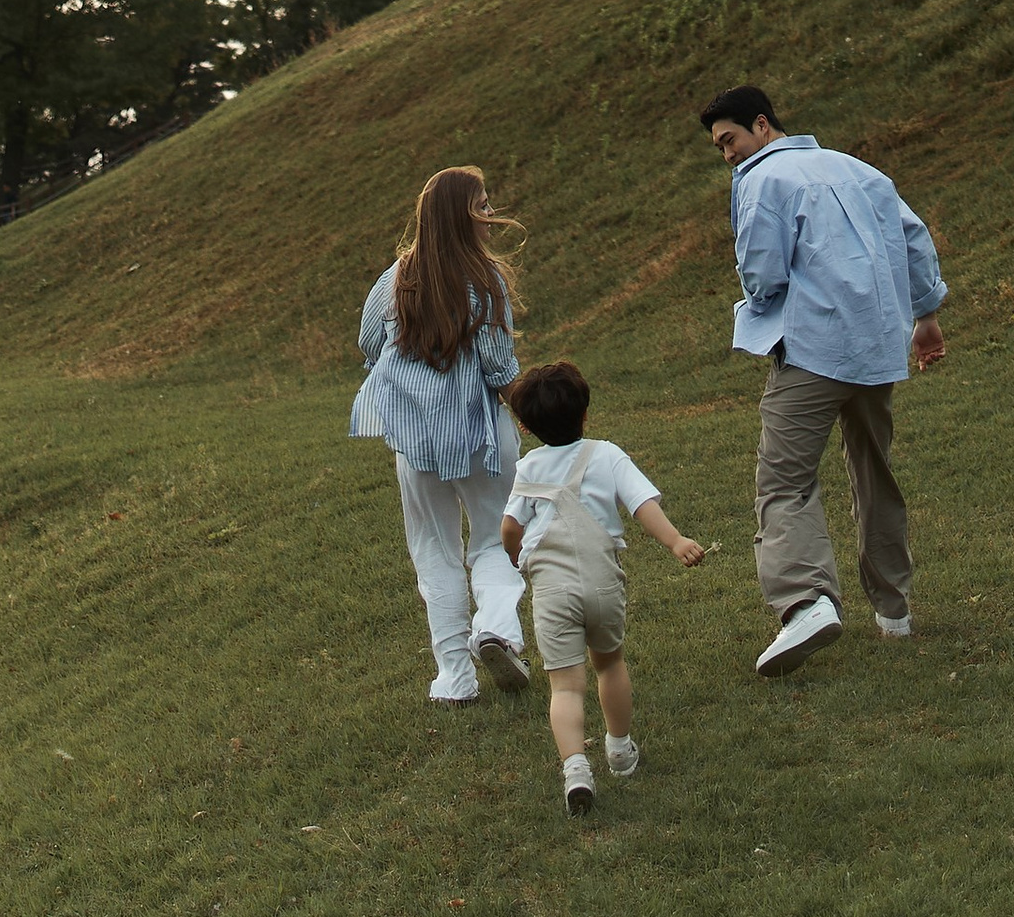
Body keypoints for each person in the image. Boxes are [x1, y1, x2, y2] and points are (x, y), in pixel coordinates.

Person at [700, 82, 947, 679]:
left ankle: (805, 602)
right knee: (872, 471)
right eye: (719, 148)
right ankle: (895, 611)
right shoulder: (857, 169)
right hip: (877, 349)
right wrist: (928, 316)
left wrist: (759, 303)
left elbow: (761, 270)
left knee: (783, 480)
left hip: (812, 349)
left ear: (762, 125)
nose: (728, 154)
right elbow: (914, 240)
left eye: (729, 139)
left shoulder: (763, 178)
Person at [350, 165, 532, 703]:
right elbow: (499, 369)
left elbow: (367, 344)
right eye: (483, 205)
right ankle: (496, 628)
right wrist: (531, 412)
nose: (491, 215)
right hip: (482, 436)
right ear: (463, 215)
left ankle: (454, 677)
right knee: (496, 539)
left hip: (416, 441)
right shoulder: (484, 280)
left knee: (434, 550)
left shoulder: (394, 280)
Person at [498, 359, 706, 817]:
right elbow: (641, 504)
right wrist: (676, 541)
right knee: (609, 663)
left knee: (565, 687)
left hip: (553, 592)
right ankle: (619, 749)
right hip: (602, 584)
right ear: (585, 414)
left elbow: (510, 526)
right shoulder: (606, 454)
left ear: (525, 428)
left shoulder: (528, 466)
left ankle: (575, 769)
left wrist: (515, 558)